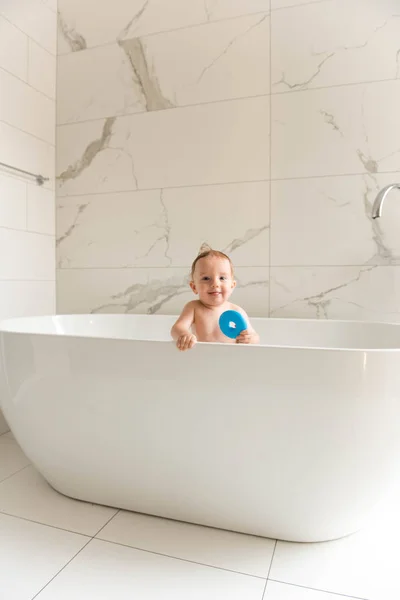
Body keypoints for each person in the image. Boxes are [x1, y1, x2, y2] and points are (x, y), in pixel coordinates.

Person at [171, 244, 260, 351]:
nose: (215, 284)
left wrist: (251, 339)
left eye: (222, 278)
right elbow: (177, 328)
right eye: (206, 278)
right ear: (194, 287)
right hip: (203, 358)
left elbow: (254, 336)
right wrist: (184, 334)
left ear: (232, 286)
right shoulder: (193, 307)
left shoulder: (237, 311)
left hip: (231, 359)